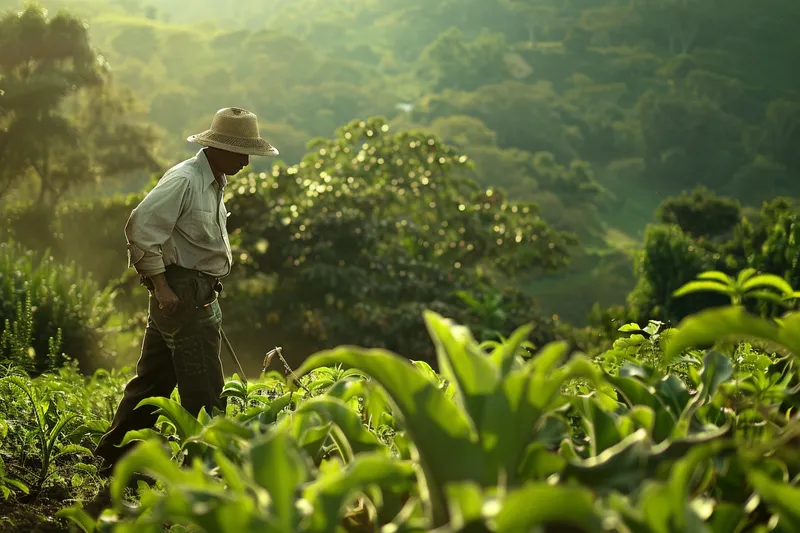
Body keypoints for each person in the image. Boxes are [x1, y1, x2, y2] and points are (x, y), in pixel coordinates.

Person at [94, 107, 279, 476]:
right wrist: (161, 287)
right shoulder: (186, 179)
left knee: (153, 381)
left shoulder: (212, 180)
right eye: (241, 152)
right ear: (220, 148)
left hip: (193, 290)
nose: (246, 161)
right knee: (205, 390)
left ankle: (115, 459)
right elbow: (140, 227)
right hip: (181, 292)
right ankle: (204, 474)